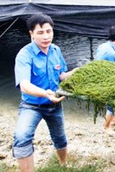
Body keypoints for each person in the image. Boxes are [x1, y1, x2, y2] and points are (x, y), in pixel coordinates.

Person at [13, 14, 77, 172]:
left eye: (49, 31)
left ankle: (63, 165)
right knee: (22, 137)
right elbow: (24, 85)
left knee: (60, 138)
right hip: (31, 105)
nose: (46, 36)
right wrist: (45, 93)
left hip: (54, 105)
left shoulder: (56, 50)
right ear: (31, 34)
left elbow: (61, 76)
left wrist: (78, 72)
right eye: (40, 33)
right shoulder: (25, 54)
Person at [96, 25, 115, 135]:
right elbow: (113, 72)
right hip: (104, 80)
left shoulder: (102, 46)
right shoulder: (112, 53)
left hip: (97, 76)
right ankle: (106, 127)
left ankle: (114, 119)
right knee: (112, 102)